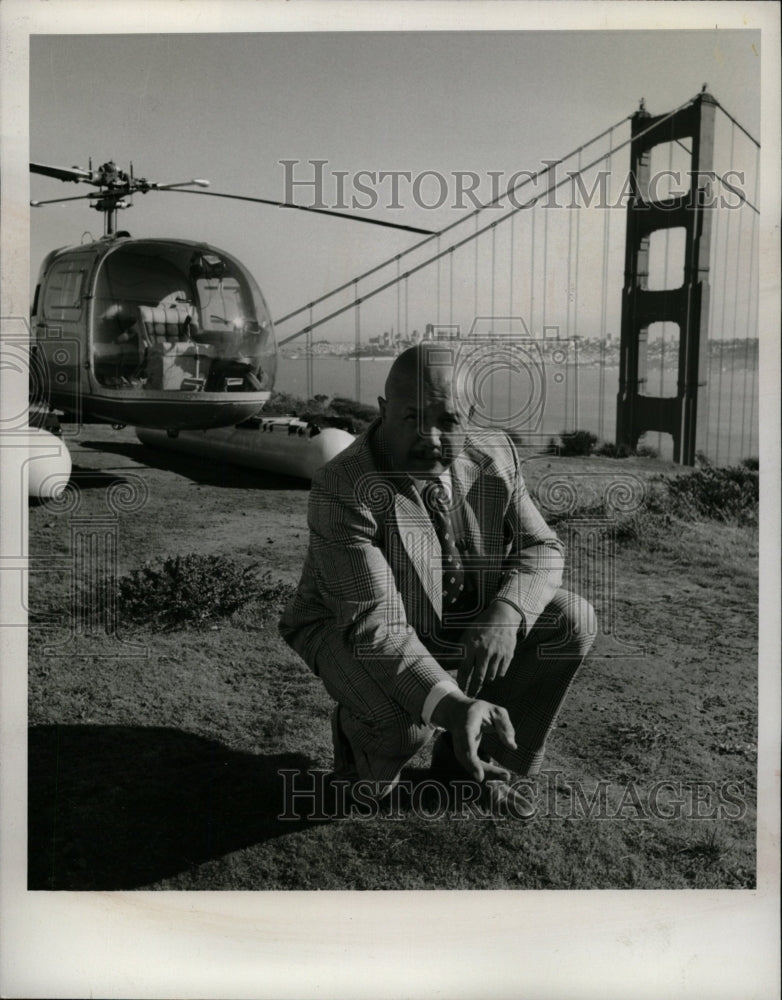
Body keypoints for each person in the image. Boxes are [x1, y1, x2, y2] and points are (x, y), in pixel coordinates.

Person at [279, 343, 597, 816]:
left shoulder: (494, 453)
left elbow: (542, 547)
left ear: (469, 416)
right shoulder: (343, 486)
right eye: (411, 417)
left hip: (455, 617)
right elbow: (377, 627)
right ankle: (358, 759)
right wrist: (450, 707)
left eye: (447, 420)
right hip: (347, 625)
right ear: (384, 411)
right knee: (404, 728)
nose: (429, 437)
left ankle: (474, 766)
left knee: (572, 620)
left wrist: (505, 614)